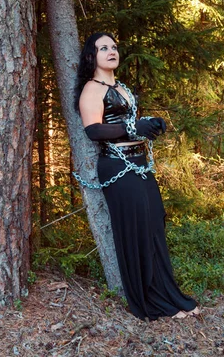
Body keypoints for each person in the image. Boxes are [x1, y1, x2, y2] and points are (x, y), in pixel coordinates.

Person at [73, 32, 200, 320]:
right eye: (103, 48)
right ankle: (149, 301)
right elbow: (93, 130)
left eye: (114, 47)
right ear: (92, 57)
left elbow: (131, 123)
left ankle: (168, 293)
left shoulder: (121, 87)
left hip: (139, 163)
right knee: (137, 231)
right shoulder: (92, 89)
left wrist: (150, 125)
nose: (111, 51)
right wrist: (134, 129)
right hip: (117, 167)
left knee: (154, 224)